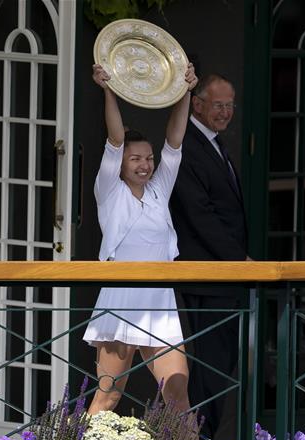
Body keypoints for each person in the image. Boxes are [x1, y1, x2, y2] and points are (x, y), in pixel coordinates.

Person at [83, 62, 198, 419]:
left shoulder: (159, 191)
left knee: (178, 392)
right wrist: (108, 90)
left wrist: (186, 91)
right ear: (120, 164)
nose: (145, 164)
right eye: (135, 159)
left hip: (160, 299)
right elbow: (115, 138)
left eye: (148, 158)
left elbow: (175, 142)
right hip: (121, 297)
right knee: (108, 398)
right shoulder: (110, 190)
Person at [169, 74, 249, 440]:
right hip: (209, 274)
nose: (226, 112)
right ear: (197, 104)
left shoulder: (213, 144)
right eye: (219, 104)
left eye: (230, 104)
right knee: (211, 365)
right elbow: (199, 214)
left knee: (219, 363)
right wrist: (238, 260)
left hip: (223, 274)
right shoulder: (189, 145)